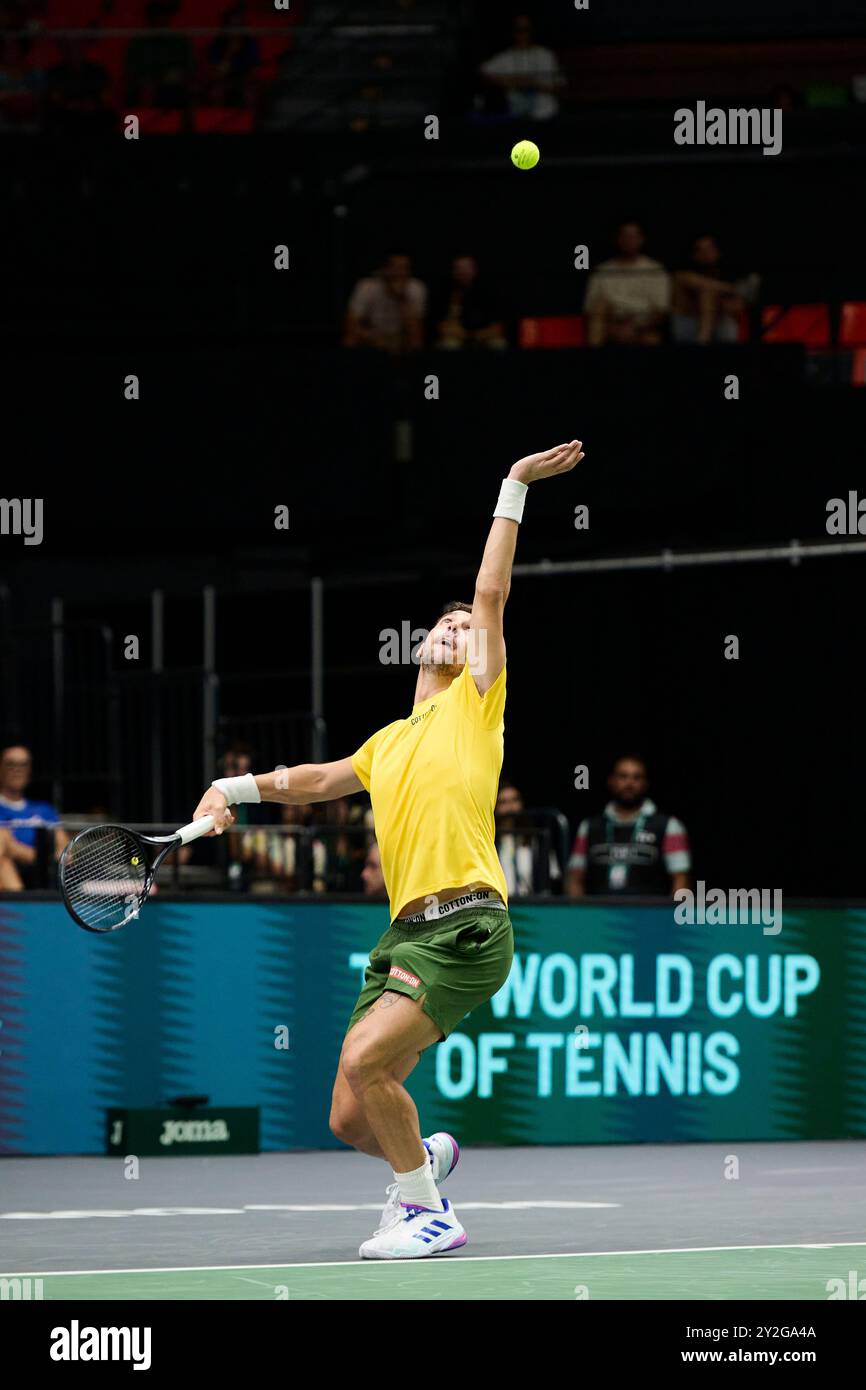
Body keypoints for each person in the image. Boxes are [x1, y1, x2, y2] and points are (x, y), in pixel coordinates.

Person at [192, 436, 585, 1259]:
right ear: (419, 647)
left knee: (369, 1059)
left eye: (463, 627)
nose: (455, 629)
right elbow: (306, 781)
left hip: (469, 923)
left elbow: (490, 590)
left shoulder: (477, 705)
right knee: (348, 1111)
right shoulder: (386, 743)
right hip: (405, 934)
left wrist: (513, 483)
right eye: (442, 624)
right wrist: (228, 792)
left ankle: (428, 1213)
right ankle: (427, 1165)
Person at [565, 755, 690, 898]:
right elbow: (575, 878)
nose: (629, 783)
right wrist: (580, 915)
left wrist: (669, 918)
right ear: (611, 781)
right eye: (623, 777)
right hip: (599, 915)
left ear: (645, 784)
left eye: (636, 778)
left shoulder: (669, 826)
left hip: (651, 915)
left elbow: (681, 880)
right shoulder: (589, 826)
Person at [584, 222, 670, 346]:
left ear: (641, 240)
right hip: (609, 326)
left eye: (633, 236)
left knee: (652, 339)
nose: (628, 240)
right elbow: (590, 309)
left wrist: (636, 327)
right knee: (598, 309)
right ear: (618, 239)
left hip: (642, 327)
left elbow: (662, 312)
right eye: (624, 236)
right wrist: (613, 328)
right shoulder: (602, 271)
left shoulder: (655, 270)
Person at [0, 744, 68, 890]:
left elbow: (66, 851)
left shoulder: (44, 810)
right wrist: (43, 858)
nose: (17, 770)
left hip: (44, 877)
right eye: (10, 764)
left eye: (23, 764)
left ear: (29, 770)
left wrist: (45, 860)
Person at [671, 234, 759, 345]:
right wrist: (734, 289)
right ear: (695, 256)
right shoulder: (683, 274)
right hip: (688, 324)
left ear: (718, 251)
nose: (706, 254)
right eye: (701, 250)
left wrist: (729, 303)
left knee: (728, 319)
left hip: (717, 326)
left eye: (710, 248)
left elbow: (738, 305)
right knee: (707, 294)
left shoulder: (725, 274)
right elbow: (704, 285)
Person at [479, 14, 564, 122]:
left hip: (545, 116)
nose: (522, 34)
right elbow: (482, 72)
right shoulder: (505, 57)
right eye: (518, 30)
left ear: (532, 31)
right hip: (517, 118)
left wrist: (534, 85)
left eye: (526, 30)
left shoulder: (546, 55)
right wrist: (510, 81)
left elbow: (561, 87)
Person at [343, 253, 427, 354]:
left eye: (404, 268)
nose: (400, 273)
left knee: (415, 342)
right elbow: (352, 323)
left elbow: (415, 332)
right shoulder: (367, 286)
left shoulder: (416, 288)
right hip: (372, 337)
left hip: (401, 340)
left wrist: (402, 299)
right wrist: (376, 339)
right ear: (384, 269)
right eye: (394, 268)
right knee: (350, 338)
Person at [495, 778, 560, 896]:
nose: (510, 806)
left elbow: (551, 879)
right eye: (503, 802)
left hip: (529, 907)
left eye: (515, 800)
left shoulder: (537, 839)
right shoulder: (489, 843)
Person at [432, 255, 508, 351]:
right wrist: (463, 335)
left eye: (466, 268)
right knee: (450, 345)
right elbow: (440, 326)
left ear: (474, 270)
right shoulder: (443, 291)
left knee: (499, 344)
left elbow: (499, 327)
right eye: (458, 268)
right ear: (453, 271)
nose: (462, 272)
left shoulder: (490, 292)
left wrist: (477, 335)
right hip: (456, 336)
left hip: (484, 335)